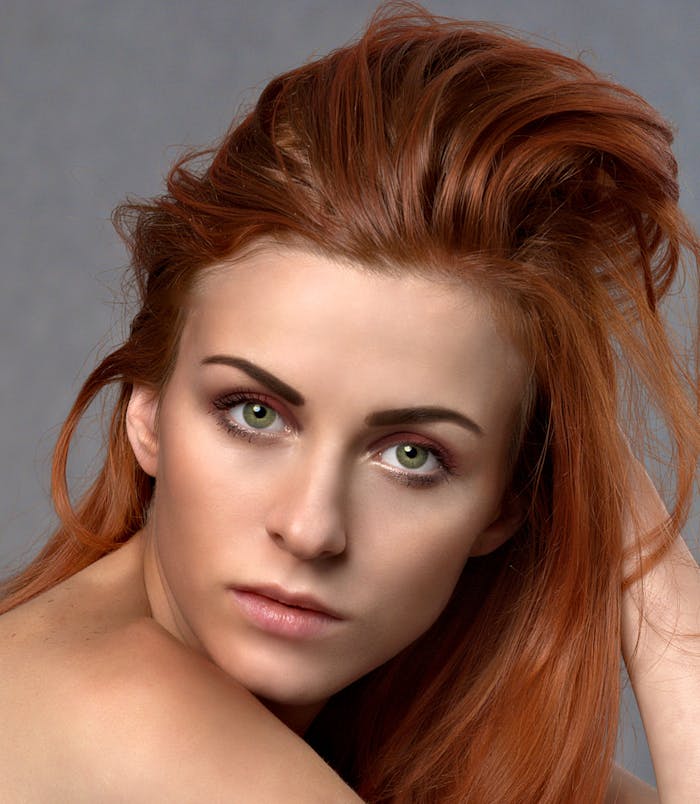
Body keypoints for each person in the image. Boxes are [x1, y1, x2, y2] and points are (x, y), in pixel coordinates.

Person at [1, 3, 698, 801]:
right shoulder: (136, 719)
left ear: (506, 504)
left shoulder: (368, 732)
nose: (310, 529)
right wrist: (661, 583)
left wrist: (602, 487)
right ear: (148, 412)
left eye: (412, 456)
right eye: (253, 414)